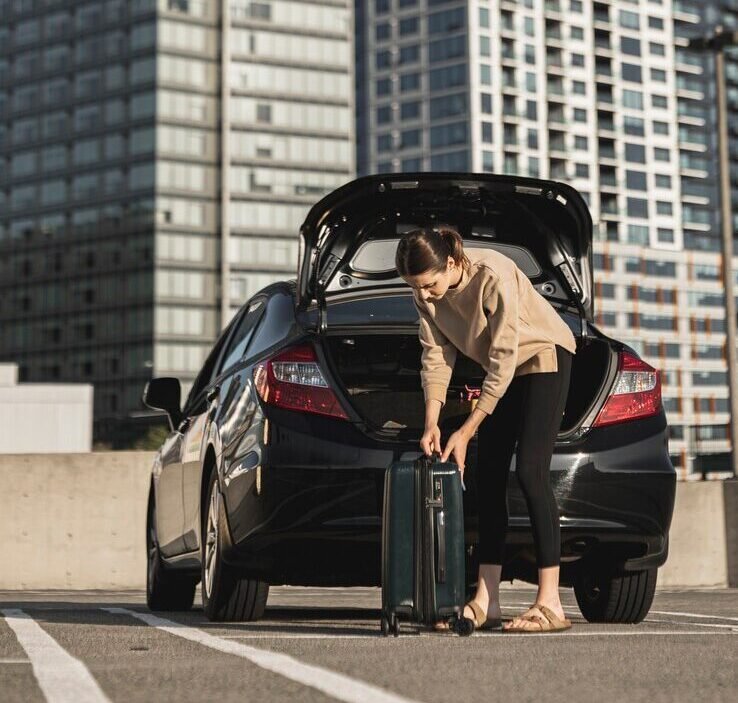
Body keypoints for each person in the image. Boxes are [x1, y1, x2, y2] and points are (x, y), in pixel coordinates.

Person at [395, 225, 576, 633]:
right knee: (488, 476)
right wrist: (433, 422)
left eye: (430, 284)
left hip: (543, 354)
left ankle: (550, 603)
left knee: (530, 470)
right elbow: (436, 357)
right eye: (415, 287)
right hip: (504, 369)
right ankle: (486, 601)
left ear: (453, 263)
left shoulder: (491, 274)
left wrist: (468, 429)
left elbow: (504, 358)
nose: (424, 295)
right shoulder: (425, 296)